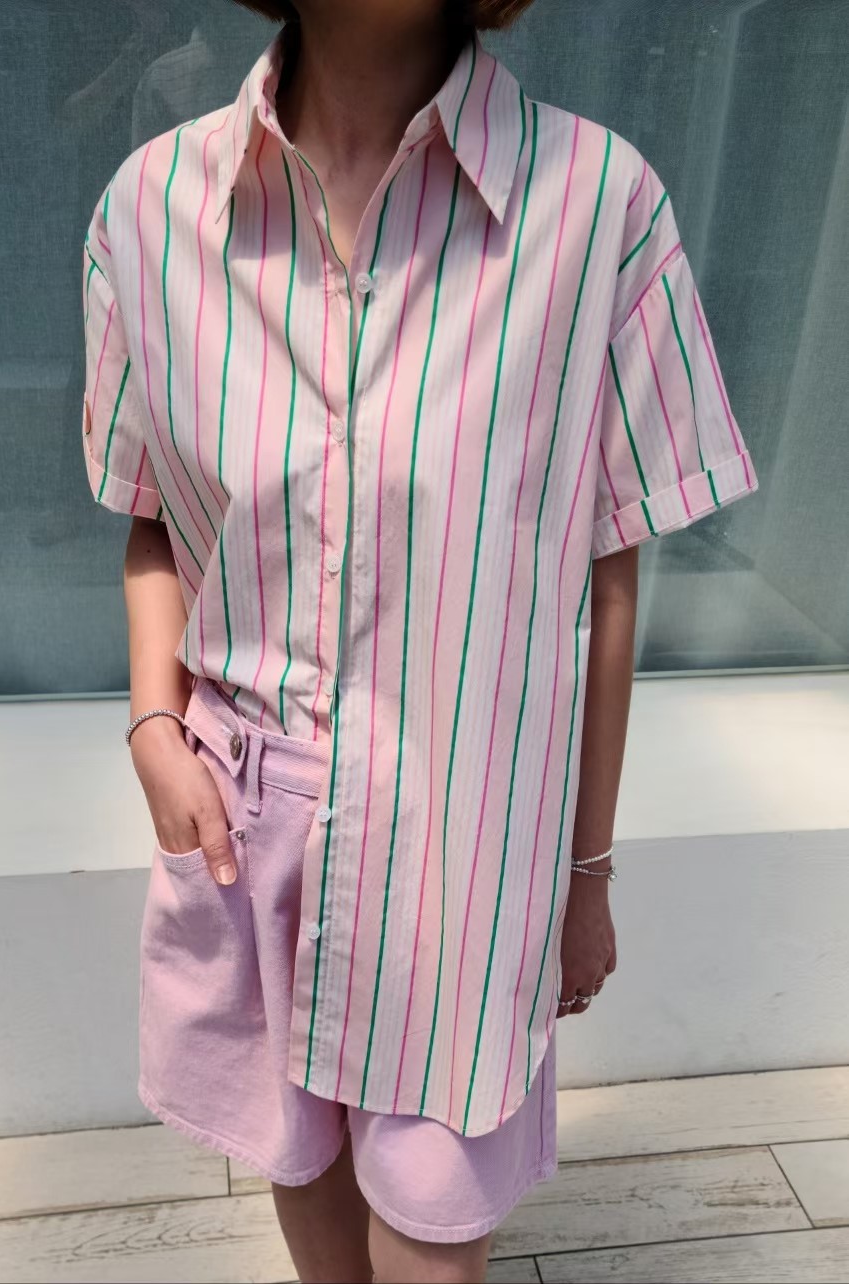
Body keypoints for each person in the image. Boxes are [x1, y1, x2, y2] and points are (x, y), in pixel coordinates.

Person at [80, 1, 759, 1279]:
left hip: (466, 853)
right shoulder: (149, 211)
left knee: (433, 1221)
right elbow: (153, 517)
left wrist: (585, 874)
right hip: (246, 823)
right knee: (296, 1158)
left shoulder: (598, 207)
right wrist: (153, 731)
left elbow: (610, 574)